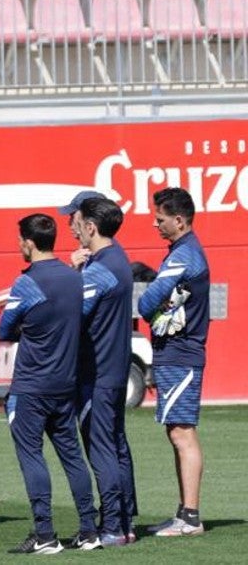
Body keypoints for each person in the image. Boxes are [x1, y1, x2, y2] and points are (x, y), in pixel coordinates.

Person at [0, 214, 98, 555]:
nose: (18, 245)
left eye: (19, 240)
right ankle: (88, 531)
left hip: (31, 386)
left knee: (32, 457)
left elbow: (6, 329)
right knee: (73, 458)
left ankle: (45, 534)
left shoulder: (26, 283)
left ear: (29, 242)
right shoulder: (74, 278)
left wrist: (28, 329)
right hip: (64, 384)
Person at [138, 187, 210, 537]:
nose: (156, 224)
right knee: (176, 430)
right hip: (175, 354)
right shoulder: (181, 252)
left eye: (161, 218)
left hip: (182, 355)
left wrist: (153, 302)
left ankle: (191, 518)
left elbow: (148, 300)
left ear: (179, 220)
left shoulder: (186, 254)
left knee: (183, 432)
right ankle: (184, 513)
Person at [71, 197, 138, 548]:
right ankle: (125, 521)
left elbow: (72, 312)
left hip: (97, 373)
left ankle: (112, 525)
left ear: (91, 227)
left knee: (101, 450)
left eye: (76, 220)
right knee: (115, 446)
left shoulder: (99, 269)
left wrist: (73, 271)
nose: (71, 227)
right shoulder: (115, 258)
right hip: (112, 368)